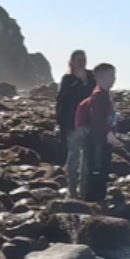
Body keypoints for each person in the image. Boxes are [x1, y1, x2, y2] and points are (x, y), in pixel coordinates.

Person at [55, 50, 95, 196]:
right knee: (74, 157)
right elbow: (61, 102)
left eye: (83, 59)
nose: (81, 62)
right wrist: (59, 123)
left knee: (87, 159)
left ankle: (84, 189)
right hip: (72, 123)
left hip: (90, 122)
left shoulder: (92, 77)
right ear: (71, 61)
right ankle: (72, 189)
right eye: (78, 59)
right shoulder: (67, 79)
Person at [77, 63, 118, 203]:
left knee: (102, 171)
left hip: (101, 140)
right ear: (102, 77)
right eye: (111, 76)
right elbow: (97, 118)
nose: (114, 79)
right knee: (97, 172)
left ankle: (98, 199)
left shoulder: (105, 94)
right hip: (98, 141)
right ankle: (93, 202)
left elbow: (105, 115)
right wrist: (108, 133)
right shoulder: (100, 95)